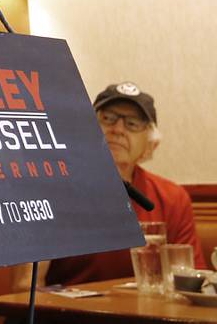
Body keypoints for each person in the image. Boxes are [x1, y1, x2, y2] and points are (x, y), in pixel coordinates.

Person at [12, 81, 206, 291]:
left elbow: (191, 283)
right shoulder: (52, 190)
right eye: (107, 119)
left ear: (151, 144)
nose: (118, 129)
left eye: (132, 123)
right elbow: (25, 287)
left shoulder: (172, 198)